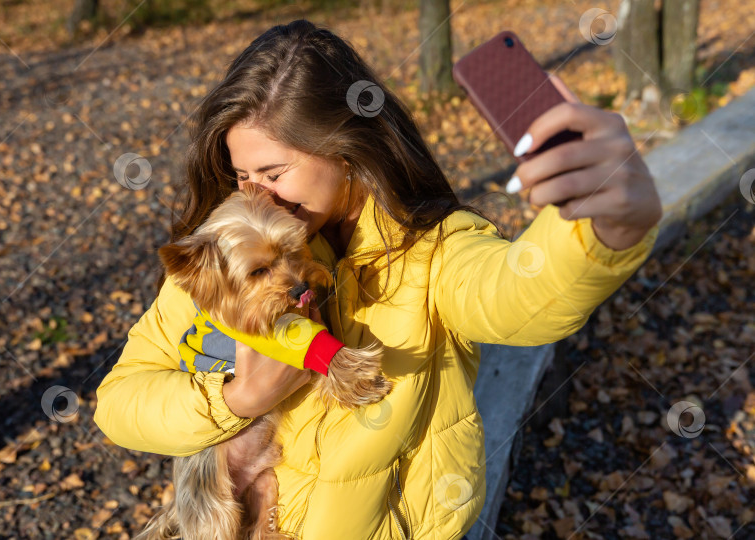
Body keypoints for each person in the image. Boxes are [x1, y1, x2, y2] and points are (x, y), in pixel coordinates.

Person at [93, 18, 662, 539]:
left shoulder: (433, 250)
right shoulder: (226, 256)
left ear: (344, 147)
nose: (255, 195)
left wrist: (602, 228)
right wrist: (238, 399)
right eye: (241, 175)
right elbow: (119, 404)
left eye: (273, 172)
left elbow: (519, 296)